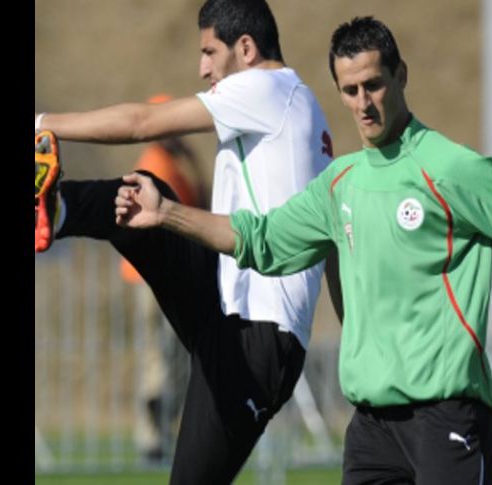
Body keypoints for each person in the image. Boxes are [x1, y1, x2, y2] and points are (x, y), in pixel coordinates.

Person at [114, 15, 492, 485]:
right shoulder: (341, 182)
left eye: (373, 85)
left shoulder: (450, 168)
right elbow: (262, 238)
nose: (363, 103)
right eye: (349, 90)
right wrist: (167, 214)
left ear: (401, 77)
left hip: (447, 419)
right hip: (370, 430)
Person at [34, 0, 334, 483]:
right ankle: (54, 208)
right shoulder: (298, 102)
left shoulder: (267, 88)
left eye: (209, 52)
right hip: (226, 306)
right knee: (141, 198)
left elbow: (141, 123)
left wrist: (41, 123)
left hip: (257, 343)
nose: (201, 68)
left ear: (246, 48)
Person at [118, 94, 206, 464]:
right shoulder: (160, 166)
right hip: (155, 277)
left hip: (152, 275)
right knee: (163, 355)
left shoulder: (166, 163)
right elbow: (196, 207)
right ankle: (154, 430)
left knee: (164, 354)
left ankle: (156, 431)